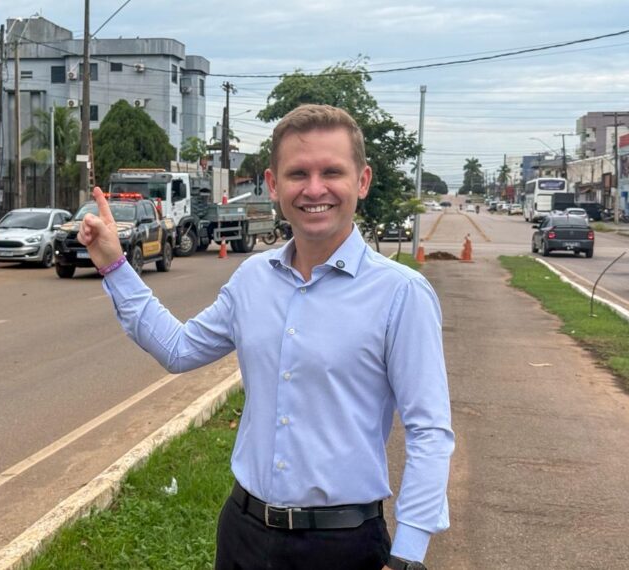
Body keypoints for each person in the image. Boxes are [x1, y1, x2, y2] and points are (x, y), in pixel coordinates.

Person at [78, 104, 454, 570]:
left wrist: (408, 556)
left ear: (362, 181)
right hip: (244, 536)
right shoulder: (252, 279)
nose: (314, 189)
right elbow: (178, 349)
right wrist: (114, 265)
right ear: (274, 185)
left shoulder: (401, 293)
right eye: (298, 174)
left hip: (342, 547)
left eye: (331, 172)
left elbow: (429, 430)